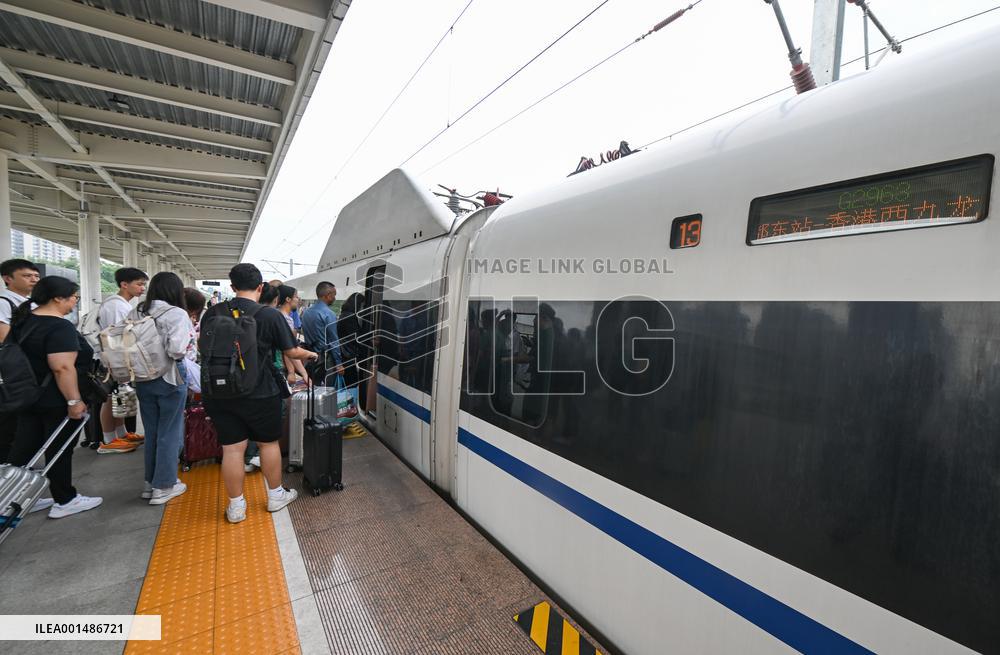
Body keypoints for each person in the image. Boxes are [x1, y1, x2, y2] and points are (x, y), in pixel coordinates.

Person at [201, 264, 317, 523]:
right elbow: (291, 351)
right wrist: (311, 354)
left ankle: (236, 507)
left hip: (219, 391)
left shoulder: (213, 312)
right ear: (261, 287)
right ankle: (275, 495)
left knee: (232, 449)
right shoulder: (269, 315)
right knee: (267, 443)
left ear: (232, 287)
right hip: (259, 390)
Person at [7, 276, 102, 518]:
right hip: (55, 398)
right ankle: (65, 499)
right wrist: (74, 401)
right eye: (73, 297)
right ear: (58, 298)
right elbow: (62, 367)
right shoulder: (59, 326)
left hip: (28, 394)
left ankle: (14, 496)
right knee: (59, 448)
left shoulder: (23, 321)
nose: (74, 302)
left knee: (24, 448)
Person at [130, 273, 193, 505]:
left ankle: (150, 483)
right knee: (170, 430)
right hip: (169, 376)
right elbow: (177, 350)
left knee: (153, 431)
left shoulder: (136, 310)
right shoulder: (176, 313)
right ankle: (164, 485)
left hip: (142, 377)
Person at [96, 267, 148, 454]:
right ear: (124, 284)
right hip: (113, 359)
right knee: (110, 399)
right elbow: (117, 336)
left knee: (119, 396)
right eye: (139, 284)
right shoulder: (116, 306)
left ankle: (121, 433)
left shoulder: (121, 304)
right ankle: (109, 440)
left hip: (116, 358)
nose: (142, 288)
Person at [0, 258, 40, 463]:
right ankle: (8, 477)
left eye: (35, 276)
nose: (33, 279)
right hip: (11, 374)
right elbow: (4, 338)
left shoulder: (30, 303)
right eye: (26, 276)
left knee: (23, 427)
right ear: (8, 278)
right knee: (9, 427)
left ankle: (20, 471)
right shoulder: (3, 302)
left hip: (27, 371)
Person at [301, 281, 344, 386]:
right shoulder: (329, 314)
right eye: (334, 295)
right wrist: (339, 364)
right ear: (328, 296)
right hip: (325, 359)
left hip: (310, 357)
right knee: (327, 391)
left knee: (313, 387)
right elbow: (334, 341)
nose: (335, 298)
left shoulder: (306, 313)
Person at [277, 285, 309, 385]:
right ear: (288, 299)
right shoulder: (284, 318)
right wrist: (292, 372)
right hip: (280, 365)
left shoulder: (283, 316)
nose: (298, 299)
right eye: (296, 296)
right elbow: (288, 348)